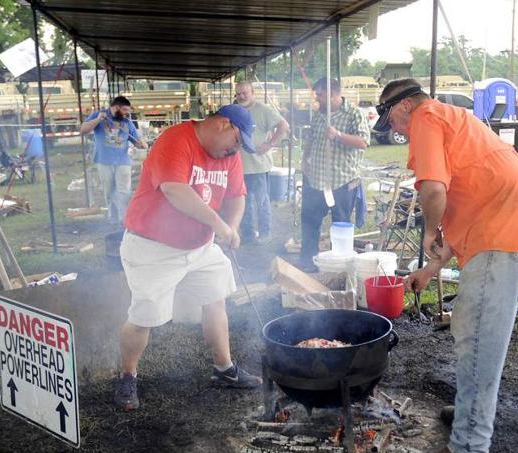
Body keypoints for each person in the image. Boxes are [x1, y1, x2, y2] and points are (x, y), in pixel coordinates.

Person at [375, 79, 518, 453]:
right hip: (513, 223)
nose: (395, 132)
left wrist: (427, 233)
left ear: (403, 107)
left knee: (477, 339)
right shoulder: (451, 119)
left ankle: (470, 446)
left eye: (392, 124)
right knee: (479, 334)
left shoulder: (425, 117)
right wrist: (431, 267)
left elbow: (434, 190)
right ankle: (472, 411)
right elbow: (466, 201)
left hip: (502, 231)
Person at [113, 104, 262, 412]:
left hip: (200, 247)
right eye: (237, 141)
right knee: (145, 317)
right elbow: (175, 191)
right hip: (153, 246)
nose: (236, 150)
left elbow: (237, 196)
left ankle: (224, 369)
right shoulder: (176, 139)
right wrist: (218, 225)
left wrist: (231, 227)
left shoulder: (229, 157)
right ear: (223, 124)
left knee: (215, 297)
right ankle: (128, 375)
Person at [299, 78, 369, 271]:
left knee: (341, 227)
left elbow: (363, 142)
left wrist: (338, 135)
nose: (317, 99)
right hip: (316, 179)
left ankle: (339, 267)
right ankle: (307, 264)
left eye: (320, 95)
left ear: (332, 94)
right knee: (309, 224)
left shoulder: (354, 113)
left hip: (343, 182)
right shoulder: (319, 114)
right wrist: (305, 160)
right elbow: (312, 139)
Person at [234, 81, 290, 244]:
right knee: (243, 203)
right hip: (238, 166)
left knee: (262, 202)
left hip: (258, 166)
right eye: (238, 94)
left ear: (253, 93)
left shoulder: (263, 109)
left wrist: (270, 144)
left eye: (245, 93)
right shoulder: (234, 111)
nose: (241, 96)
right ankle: (248, 234)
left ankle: (265, 234)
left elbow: (284, 126)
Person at [80, 96, 147, 225]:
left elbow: (136, 140)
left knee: (123, 191)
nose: (127, 113)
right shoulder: (98, 115)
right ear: (116, 107)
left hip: (123, 161)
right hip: (104, 161)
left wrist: (141, 144)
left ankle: (124, 218)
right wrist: (97, 120)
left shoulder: (127, 122)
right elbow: (83, 130)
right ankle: (113, 217)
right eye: (125, 110)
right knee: (109, 190)